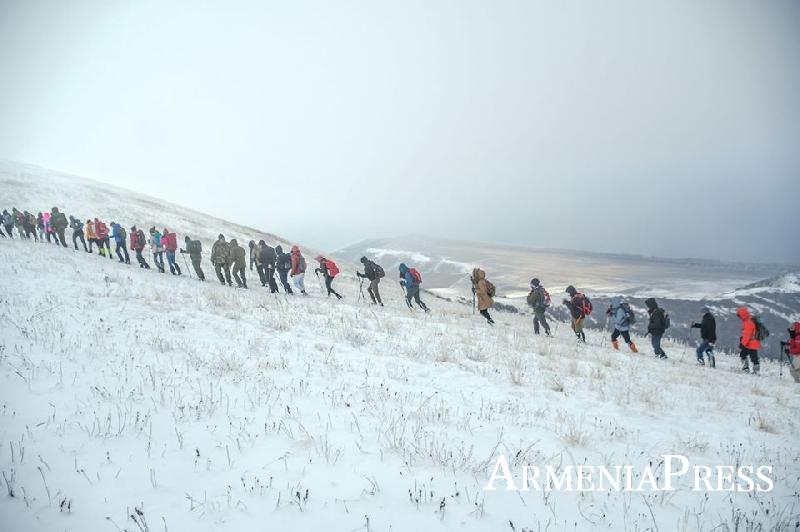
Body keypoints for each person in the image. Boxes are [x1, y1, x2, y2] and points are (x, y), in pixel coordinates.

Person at [736, 307, 760, 374]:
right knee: (750, 356)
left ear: (742, 315)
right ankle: (751, 370)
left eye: (739, 315)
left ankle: (749, 370)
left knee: (751, 357)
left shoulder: (747, 322)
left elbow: (747, 335)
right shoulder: (748, 321)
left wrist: (742, 343)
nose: (739, 317)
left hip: (750, 343)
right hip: (751, 343)